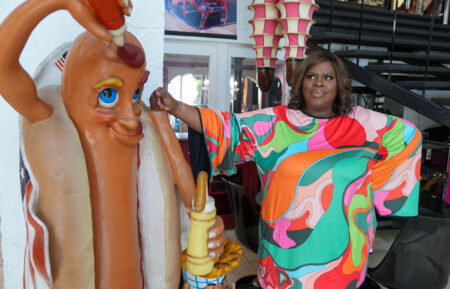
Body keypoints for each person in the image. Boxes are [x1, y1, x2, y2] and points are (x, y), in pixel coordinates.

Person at [151, 49, 422, 289]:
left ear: (340, 84)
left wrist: (380, 192)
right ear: (300, 82)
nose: (319, 83)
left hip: (344, 251)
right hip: (285, 250)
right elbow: (223, 127)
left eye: (328, 77)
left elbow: (408, 138)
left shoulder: (364, 124)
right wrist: (176, 106)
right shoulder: (276, 123)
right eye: (311, 76)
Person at [0, 0, 223, 288]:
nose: (131, 116)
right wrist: (60, 2)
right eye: (108, 95)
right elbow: (4, 66)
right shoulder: (49, 118)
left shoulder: (147, 138)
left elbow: (179, 208)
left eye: (135, 94)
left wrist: (207, 230)